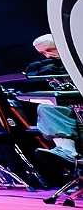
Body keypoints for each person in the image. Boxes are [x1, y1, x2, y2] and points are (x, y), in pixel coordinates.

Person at [27, 35, 80, 181]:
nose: (48, 56)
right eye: (43, 53)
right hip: (76, 116)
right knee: (47, 107)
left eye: (50, 50)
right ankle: (66, 151)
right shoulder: (54, 68)